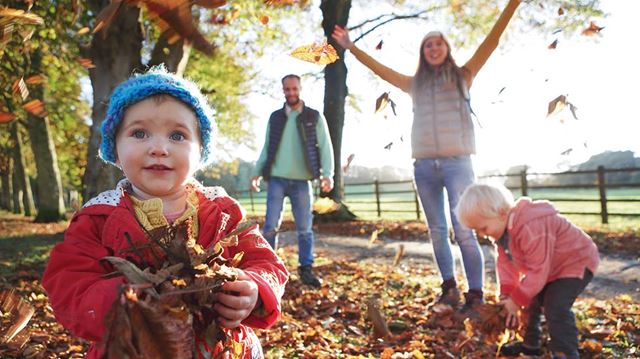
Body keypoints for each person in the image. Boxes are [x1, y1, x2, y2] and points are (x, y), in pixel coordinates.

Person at [42, 67, 289, 359]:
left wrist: (253, 290)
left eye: (177, 135)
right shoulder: (98, 217)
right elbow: (70, 284)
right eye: (139, 133)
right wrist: (126, 303)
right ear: (116, 151)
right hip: (133, 348)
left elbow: (266, 263)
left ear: (200, 152)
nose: (159, 148)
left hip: (219, 347)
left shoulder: (222, 211)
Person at [331, 0, 521, 311]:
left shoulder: (464, 75)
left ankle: (475, 294)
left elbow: (492, 40)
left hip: (458, 164)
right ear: (423, 52)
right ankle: (449, 288)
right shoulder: (413, 84)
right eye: (428, 45)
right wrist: (351, 47)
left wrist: (512, 5)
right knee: (436, 229)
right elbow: (380, 70)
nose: (433, 48)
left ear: (446, 48)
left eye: (438, 44)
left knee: (464, 230)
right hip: (424, 168)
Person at [456, 183, 599, 359]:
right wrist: (508, 296)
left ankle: (565, 352)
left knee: (555, 305)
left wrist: (516, 300)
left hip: (575, 261)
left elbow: (538, 270)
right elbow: (506, 266)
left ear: (501, 213)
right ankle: (531, 345)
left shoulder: (531, 225)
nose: (482, 234)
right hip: (550, 268)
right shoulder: (502, 235)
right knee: (530, 302)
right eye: (477, 231)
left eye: (483, 228)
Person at [250, 74, 335, 288]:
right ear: (283, 90)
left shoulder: (313, 116)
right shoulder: (276, 117)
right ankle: (267, 268)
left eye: (294, 89)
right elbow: (267, 146)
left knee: (305, 228)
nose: (291, 93)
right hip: (276, 178)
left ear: (300, 88)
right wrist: (256, 171)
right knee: (270, 226)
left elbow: (325, 146)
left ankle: (306, 268)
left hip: (302, 181)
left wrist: (328, 174)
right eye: (287, 89)